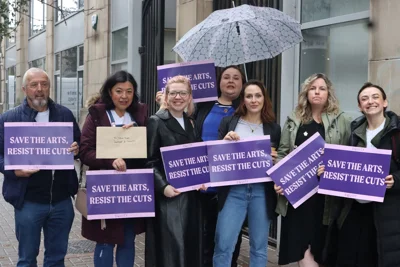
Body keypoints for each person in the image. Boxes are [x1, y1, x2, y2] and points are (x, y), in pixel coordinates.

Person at [155, 65, 246, 267]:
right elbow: (181, 138)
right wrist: (164, 107)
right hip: (201, 185)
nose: (231, 81)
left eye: (236, 78)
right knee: (201, 239)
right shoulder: (202, 108)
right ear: (218, 82)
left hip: (230, 186)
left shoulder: (245, 109)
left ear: (242, 83)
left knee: (230, 239)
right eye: (226, 77)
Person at [0, 68, 80, 266]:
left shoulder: (64, 114)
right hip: (28, 201)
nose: (40, 89)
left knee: (56, 258)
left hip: (61, 200)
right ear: (24, 88)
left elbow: (79, 145)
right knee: (27, 259)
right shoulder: (9, 119)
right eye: (34, 85)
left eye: (44, 84)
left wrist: (77, 149)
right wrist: (12, 170)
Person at [274, 73, 351, 267]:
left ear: (328, 93)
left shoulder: (343, 120)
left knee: (322, 246)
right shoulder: (294, 119)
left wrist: (332, 165)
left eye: (322, 88)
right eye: (312, 88)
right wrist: (281, 179)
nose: (317, 92)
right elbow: (283, 152)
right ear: (306, 92)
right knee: (301, 246)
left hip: (326, 197)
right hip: (299, 193)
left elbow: (349, 154)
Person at [326, 83, 400, 267]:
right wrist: (328, 171)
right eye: (364, 99)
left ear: (385, 102)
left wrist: (396, 180)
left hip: (385, 212)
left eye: (375, 97)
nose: (370, 101)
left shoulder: (397, 133)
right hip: (354, 209)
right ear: (359, 106)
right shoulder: (353, 132)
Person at [79, 70, 147, 267]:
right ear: (110, 92)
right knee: (105, 241)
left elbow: (148, 152)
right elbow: (85, 152)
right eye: (119, 91)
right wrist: (110, 161)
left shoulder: (139, 116)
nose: (124, 96)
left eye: (129, 91)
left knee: (128, 239)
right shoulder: (97, 115)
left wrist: (138, 137)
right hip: (105, 188)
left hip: (131, 189)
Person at [213, 80, 281, 267]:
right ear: (243, 100)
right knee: (223, 245)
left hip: (261, 192)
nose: (253, 100)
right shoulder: (229, 123)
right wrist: (225, 142)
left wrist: (276, 160)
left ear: (264, 99)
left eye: (257, 95)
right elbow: (216, 158)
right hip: (233, 192)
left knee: (259, 248)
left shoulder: (273, 128)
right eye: (249, 96)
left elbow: (279, 161)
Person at [145, 75, 201, 267]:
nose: (178, 97)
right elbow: (149, 161)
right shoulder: (156, 121)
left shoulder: (191, 122)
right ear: (166, 96)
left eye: (183, 93)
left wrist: (202, 178)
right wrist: (163, 186)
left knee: (189, 249)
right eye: (174, 92)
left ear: (189, 96)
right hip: (169, 199)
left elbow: (196, 157)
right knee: (172, 253)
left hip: (191, 197)